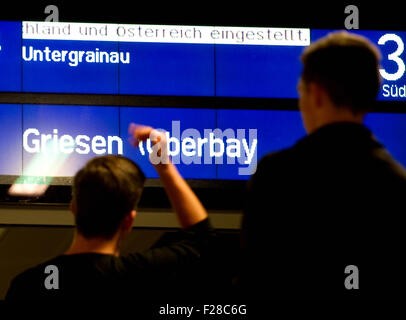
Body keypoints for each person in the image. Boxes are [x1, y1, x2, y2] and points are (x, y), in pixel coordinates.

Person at [236, 31, 406, 298]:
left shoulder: (277, 175)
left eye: (301, 92)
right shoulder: (396, 181)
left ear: (315, 94)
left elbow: (254, 279)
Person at [5, 125, 215, 300]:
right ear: (128, 221)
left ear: (73, 208)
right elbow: (202, 241)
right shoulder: (140, 277)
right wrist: (164, 166)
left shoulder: (26, 285)